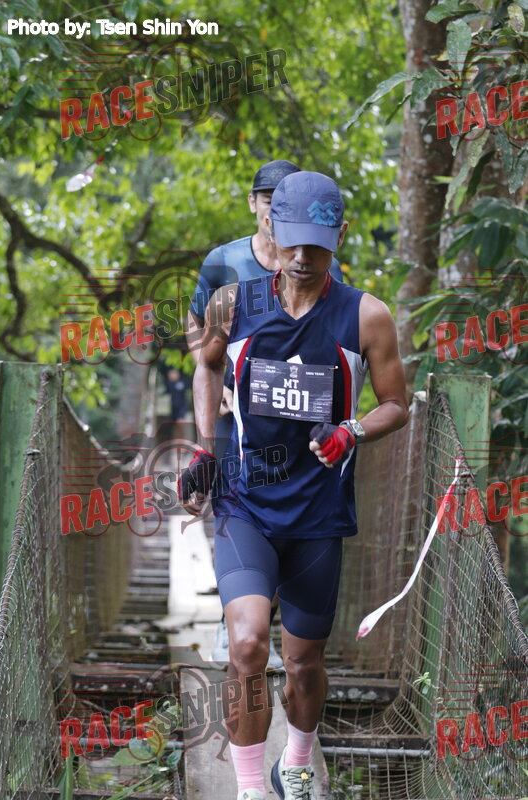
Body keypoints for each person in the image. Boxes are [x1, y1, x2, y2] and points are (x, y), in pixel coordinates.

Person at [179, 170, 409, 800]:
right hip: (245, 504)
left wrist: (350, 431)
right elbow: (205, 366)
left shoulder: (366, 316)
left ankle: (298, 762)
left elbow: (396, 404)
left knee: (304, 664)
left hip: (317, 513)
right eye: (292, 241)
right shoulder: (234, 304)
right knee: (248, 645)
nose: (303, 257)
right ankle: (251, 788)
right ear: (271, 227)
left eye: (317, 244)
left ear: (340, 237)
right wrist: (205, 448)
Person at [186, 160, 343, 669]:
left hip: (293, 414)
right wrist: (219, 377)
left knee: (286, 509)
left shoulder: (320, 261)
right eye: (270, 200)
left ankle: (268, 623)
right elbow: (198, 324)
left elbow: (332, 328)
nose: (277, 210)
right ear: (256, 205)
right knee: (235, 503)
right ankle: (237, 621)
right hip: (233, 412)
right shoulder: (224, 260)